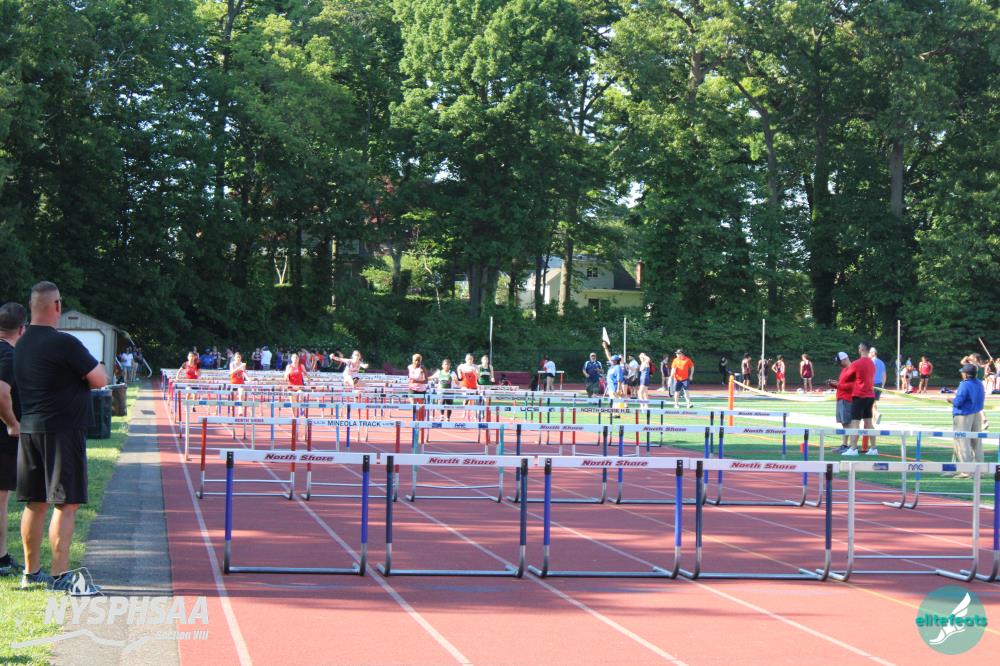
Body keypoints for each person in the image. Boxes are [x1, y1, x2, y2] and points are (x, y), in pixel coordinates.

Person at [15, 282, 107, 594]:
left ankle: (31, 573)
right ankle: (60, 576)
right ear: (57, 306)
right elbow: (99, 379)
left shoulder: (21, 344)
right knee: (66, 504)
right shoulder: (64, 343)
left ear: (31, 306)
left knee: (34, 503)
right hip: (62, 431)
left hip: (30, 428)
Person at [0, 303, 27, 576]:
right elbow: (1, 392)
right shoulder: (7, 355)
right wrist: (11, 423)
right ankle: (1, 558)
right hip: (2, 440)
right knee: (0, 498)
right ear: (22, 329)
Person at [839, 341, 877, 456]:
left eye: (859, 347)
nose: (858, 349)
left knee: (854, 423)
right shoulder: (872, 363)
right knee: (869, 423)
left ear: (862, 349)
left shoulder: (856, 363)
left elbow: (847, 377)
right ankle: (873, 448)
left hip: (859, 395)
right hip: (870, 396)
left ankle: (853, 448)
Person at [946, 363, 986, 473]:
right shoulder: (979, 383)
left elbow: (959, 402)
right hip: (976, 413)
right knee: (977, 442)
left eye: (963, 372)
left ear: (966, 374)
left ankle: (966, 470)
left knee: (963, 442)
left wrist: (950, 399)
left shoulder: (964, 384)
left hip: (964, 415)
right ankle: (980, 469)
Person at [826, 352, 854, 452]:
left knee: (848, 423)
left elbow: (853, 385)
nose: (839, 365)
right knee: (844, 423)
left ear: (844, 359)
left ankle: (852, 446)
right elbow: (842, 384)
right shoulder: (844, 369)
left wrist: (838, 385)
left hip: (847, 398)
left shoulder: (852, 369)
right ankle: (845, 445)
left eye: (839, 362)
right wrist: (834, 384)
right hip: (841, 398)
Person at [868, 347, 886, 425]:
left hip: (872, 384)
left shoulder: (871, 362)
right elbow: (884, 375)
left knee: (870, 403)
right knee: (873, 402)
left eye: (869, 353)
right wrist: (883, 385)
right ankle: (874, 419)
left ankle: (876, 414)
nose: (868, 354)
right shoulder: (882, 362)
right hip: (879, 384)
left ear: (873, 353)